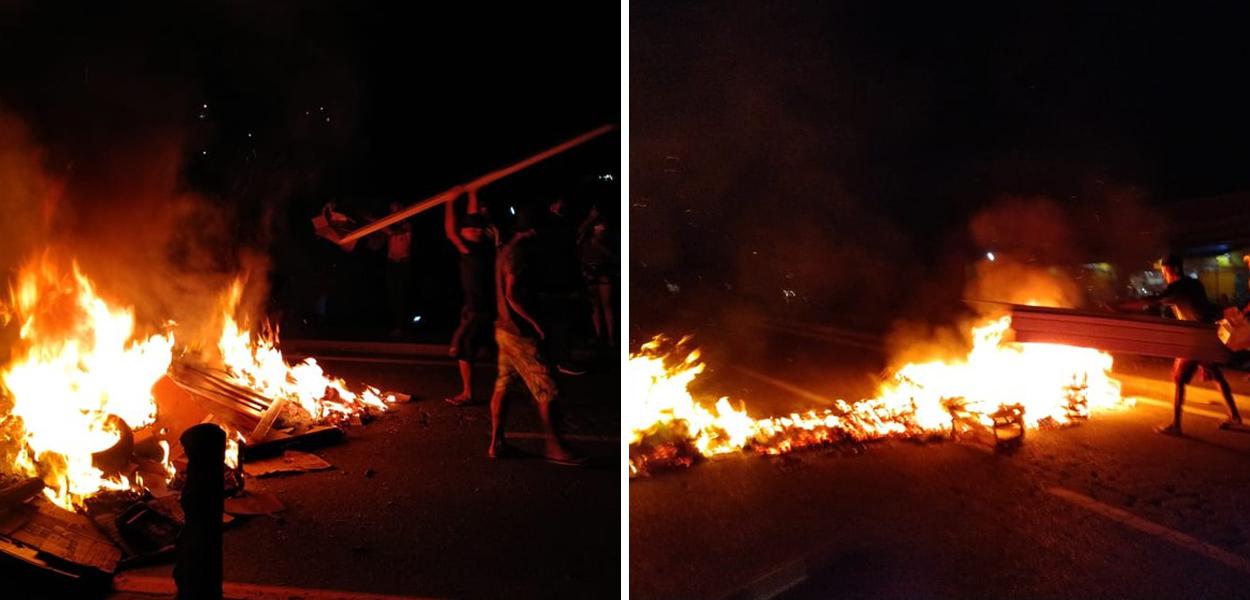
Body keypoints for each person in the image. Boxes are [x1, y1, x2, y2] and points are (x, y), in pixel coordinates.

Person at [488, 205, 586, 465]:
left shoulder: (504, 251)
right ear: (531, 231)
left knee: (504, 384)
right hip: (519, 333)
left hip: (503, 331)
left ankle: (496, 443)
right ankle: (555, 448)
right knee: (547, 388)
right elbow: (511, 294)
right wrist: (535, 323)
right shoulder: (518, 254)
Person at [1115, 253, 1243, 435]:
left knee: (1179, 379)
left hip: (1192, 340)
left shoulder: (1177, 287)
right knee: (1216, 377)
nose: (1164, 275)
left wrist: (1121, 308)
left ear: (1173, 269)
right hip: (1205, 335)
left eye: (1165, 271)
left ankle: (1176, 425)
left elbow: (1150, 301)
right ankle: (1235, 417)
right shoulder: (1195, 283)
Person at [445, 187, 496, 406]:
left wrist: (448, 203)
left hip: (481, 308)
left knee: (464, 347)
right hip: (479, 306)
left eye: (477, 229)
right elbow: (471, 219)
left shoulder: (473, 249)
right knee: (488, 347)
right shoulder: (484, 246)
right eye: (471, 229)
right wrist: (473, 194)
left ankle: (467, 393)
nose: (475, 231)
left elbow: (450, 232)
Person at [538, 196, 587, 375]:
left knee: (558, 325)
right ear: (551, 206)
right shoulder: (553, 228)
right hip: (554, 285)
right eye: (559, 202)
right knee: (559, 325)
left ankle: (555, 360)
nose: (563, 204)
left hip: (556, 285)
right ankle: (560, 361)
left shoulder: (556, 227)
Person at [578, 206, 617, 346]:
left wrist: (599, 247)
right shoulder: (585, 229)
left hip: (602, 268)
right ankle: (599, 336)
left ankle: (611, 337)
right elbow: (577, 237)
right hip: (588, 268)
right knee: (594, 305)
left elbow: (613, 255)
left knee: (606, 304)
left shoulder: (606, 227)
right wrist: (589, 219)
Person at [384, 201, 413, 337]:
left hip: (403, 264)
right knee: (392, 294)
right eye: (391, 210)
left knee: (401, 294)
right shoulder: (389, 225)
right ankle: (394, 325)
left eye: (395, 210)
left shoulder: (406, 225)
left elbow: (396, 231)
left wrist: (385, 229)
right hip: (392, 263)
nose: (393, 212)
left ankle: (401, 326)